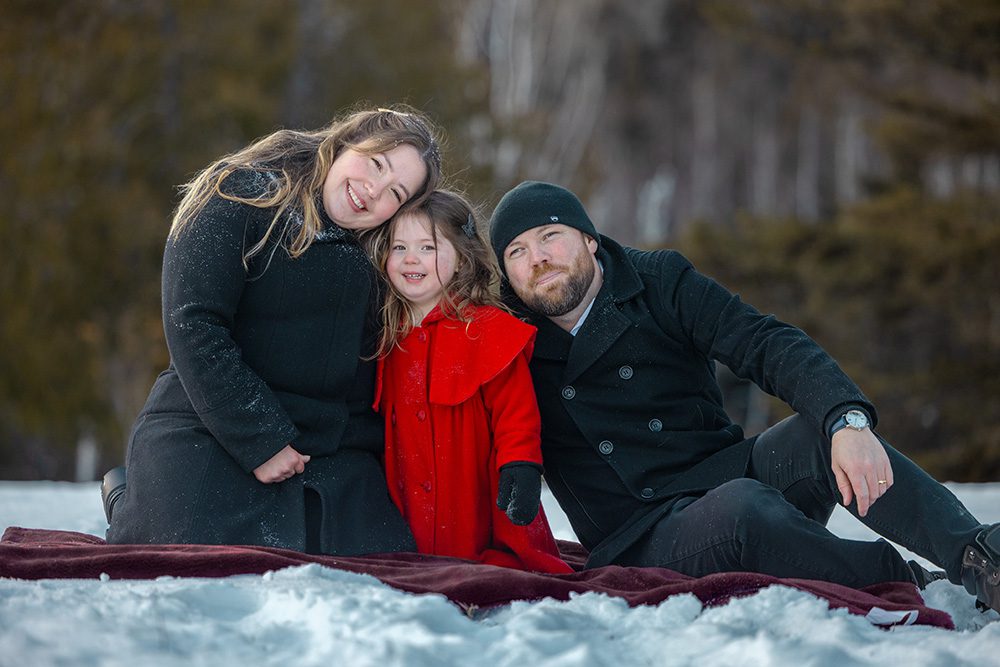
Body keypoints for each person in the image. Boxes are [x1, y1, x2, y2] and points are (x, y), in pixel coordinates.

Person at [488, 180, 1000, 612]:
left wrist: (846, 420)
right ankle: (912, 582)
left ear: (588, 239)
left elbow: (765, 341)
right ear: (506, 274)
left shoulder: (658, 281)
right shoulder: (509, 339)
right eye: (517, 252)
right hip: (638, 535)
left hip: (721, 470)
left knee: (814, 435)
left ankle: (980, 558)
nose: (538, 259)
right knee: (743, 508)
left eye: (549, 236)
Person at [102, 107, 442, 556]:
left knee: (379, 555)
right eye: (375, 163)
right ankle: (126, 496)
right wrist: (259, 439)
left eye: (395, 193)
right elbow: (194, 321)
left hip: (325, 446)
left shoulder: (383, 254)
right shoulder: (239, 193)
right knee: (189, 550)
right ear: (346, 141)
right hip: (213, 418)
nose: (373, 190)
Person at [368, 190, 571, 573]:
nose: (411, 258)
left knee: (487, 567)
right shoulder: (383, 338)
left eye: (427, 247)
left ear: (461, 259)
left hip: (476, 500)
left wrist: (521, 465)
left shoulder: (488, 331)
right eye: (399, 247)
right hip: (406, 504)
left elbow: (517, 415)